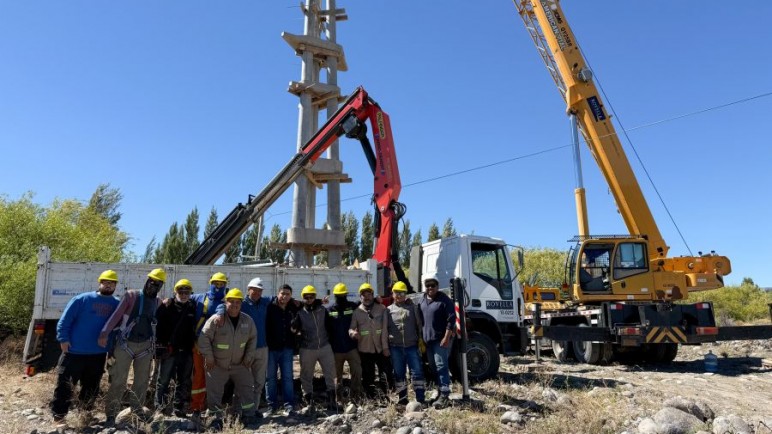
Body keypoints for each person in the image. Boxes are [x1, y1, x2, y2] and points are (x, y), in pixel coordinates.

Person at [51, 269, 120, 424]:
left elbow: (116, 330)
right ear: (100, 282)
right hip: (74, 351)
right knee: (65, 385)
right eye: (106, 282)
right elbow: (65, 320)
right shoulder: (82, 299)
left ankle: (84, 415)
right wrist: (63, 338)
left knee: (91, 387)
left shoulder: (116, 304)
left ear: (116, 285)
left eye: (112, 283)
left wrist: (111, 350)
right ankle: (59, 416)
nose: (109, 286)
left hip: (98, 354)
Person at [99, 268, 166, 421]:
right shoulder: (131, 296)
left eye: (157, 283)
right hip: (125, 344)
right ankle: (111, 413)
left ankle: (136, 411)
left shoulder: (158, 302)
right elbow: (116, 315)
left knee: (142, 381)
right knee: (118, 380)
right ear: (147, 280)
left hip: (145, 346)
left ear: (161, 286)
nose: (153, 285)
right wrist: (104, 333)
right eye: (151, 281)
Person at [198, 288, 259, 429]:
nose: (235, 305)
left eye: (238, 302)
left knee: (247, 389)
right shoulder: (216, 320)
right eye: (231, 302)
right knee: (214, 393)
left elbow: (253, 338)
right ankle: (215, 419)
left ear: (241, 304)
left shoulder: (247, 320)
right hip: (217, 365)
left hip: (240, 364)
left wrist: (249, 356)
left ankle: (248, 415)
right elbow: (204, 338)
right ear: (226, 303)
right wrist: (209, 357)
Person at [214, 277, 271, 416]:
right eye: (254, 290)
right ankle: (238, 410)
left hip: (262, 348)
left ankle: (253, 409)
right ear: (248, 290)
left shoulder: (264, 303)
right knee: (242, 382)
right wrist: (220, 312)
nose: (257, 293)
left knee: (259, 382)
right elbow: (224, 304)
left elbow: (282, 299)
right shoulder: (241, 303)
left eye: (259, 290)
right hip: (244, 350)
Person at [154, 278, 197, 417]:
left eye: (187, 291)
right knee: (163, 380)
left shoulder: (193, 307)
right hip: (169, 351)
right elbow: (157, 325)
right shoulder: (167, 306)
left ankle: (180, 408)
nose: (184, 294)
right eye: (181, 291)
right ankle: (160, 408)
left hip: (186, 351)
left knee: (184, 381)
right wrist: (160, 347)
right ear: (175, 292)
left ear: (190, 293)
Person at [189, 272, 230, 418]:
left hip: (218, 348)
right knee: (199, 376)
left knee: (215, 378)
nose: (218, 287)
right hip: (199, 346)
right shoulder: (199, 298)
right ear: (210, 283)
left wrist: (221, 313)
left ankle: (213, 406)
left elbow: (223, 310)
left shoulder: (226, 302)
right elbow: (183, 299)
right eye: (216, 284)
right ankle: (196, 407)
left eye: (221, 284)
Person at [291, 285, 337, 412]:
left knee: (330, 374)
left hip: (324, 346)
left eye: (312, 297)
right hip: (307, 349)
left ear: (315, 297)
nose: (309, 299)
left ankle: (332, 401)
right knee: (306, 376)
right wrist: (294, 328)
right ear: (303, 298)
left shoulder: (322, 310)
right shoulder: (299, 313)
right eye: (306, 297)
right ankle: (309, 402)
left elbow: (330, 326)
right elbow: (293, 330)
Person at [416, 274, 455, 409]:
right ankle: (440, 391)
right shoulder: (422, 300)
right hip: (427, 342)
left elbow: (451, 320)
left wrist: (446, 338)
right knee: (433, 367)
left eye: (433, 285)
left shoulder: (444, 300)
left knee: (441, 366)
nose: (430, 288)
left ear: (437, 286)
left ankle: (445, 395)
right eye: (428, 285)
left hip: (440, 341)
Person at [349, 282, 392, 400]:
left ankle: (386, 396)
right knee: (368, 376)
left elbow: (384, 330)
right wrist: (353, 333)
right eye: (364, 295)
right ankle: (371, 398)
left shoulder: (381, 308)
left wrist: (385, 348)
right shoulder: (357, 312)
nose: (367, 297)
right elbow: (351, 328)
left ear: (373, 295)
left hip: (380, 348)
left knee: (385, 374)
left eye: (369, 294)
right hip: (365, 349)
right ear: (360, 297)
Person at [386, 281, 425, 406]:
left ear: (406, 294)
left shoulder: (412, 307)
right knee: (399, 373)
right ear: (392, 294)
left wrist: (420, 341)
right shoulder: (388, 310)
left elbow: (419, 325)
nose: (399, 295)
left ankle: (420, 398)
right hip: (396, 347)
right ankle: (403, 399)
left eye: (402, 293)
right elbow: (385, 328)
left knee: (417, 371)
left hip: (412, 346)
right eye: (396, 293)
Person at [265, 284, 298, 415]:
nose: (284, 296)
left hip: (287, 349)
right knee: (270, 378)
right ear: (277, 293)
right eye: (282, 293)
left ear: (291, 296)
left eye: (287, 294)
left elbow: (307, 304)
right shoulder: (270, 307)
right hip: (271, 349)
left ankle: (289, 405)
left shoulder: (293, 307)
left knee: (288, 377)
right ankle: (271, 406)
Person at [327, 282, 363, 401]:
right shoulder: (329, 310)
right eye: (338, 295)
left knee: (357, 372)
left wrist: (378, 300)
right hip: (336, 350)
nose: (341, 298)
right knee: (337, 376)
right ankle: (339, 399)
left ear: (346, 295)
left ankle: (355, 397)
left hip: (351, 348)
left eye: (343, 295)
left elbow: (366, 303)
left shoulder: (352, 306)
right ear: (334, 295)